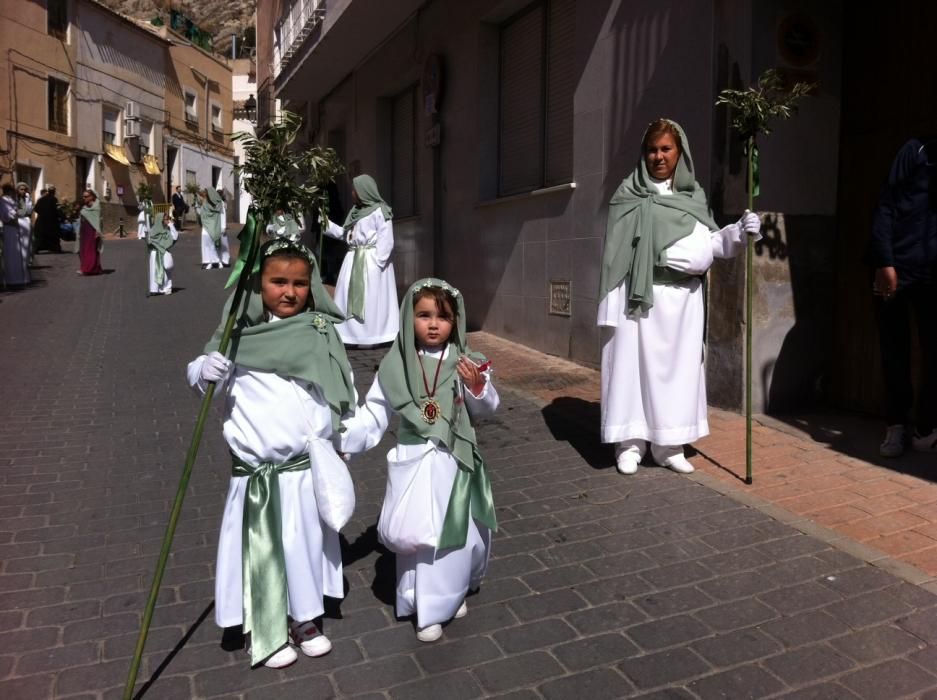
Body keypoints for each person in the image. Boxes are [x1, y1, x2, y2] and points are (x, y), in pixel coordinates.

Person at [186, 236, 356, 669]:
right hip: (256, 473)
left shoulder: (318, 331)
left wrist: (340, 437)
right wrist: (206, 367)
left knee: (302, 545)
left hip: (302, 470)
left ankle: (304, 618)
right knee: (263, 547)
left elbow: (340, 386)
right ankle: (268, 623)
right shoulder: (239, 336)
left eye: (300, 283)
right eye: (278, 281)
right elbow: (201, 369)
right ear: (258, 284)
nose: (289, 292)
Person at [598, 118, 761, 475]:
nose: (658, 156)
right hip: (639, 299)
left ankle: (668, 444)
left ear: (679, 152)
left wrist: (739, 231)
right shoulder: (629, 195)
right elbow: (614, 254)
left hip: (685, 302)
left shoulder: (694, 196)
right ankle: (630, 443)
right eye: (652, 149)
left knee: (678, 372)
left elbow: (713, 243)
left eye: (665, 149)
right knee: (631, 369)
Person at [341, 279, 499, 643]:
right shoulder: (395, 365)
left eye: (443, 317)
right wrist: (345, 438)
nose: (433, 324)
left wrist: (477, 386)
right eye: (423, 315)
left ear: (455, 322)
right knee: (420, 538)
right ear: (407, 317)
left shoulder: (467, 361)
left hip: (453, 462)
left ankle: (447, 596)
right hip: (415, 460)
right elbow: (374, 414)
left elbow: (488, 407)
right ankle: (422, 603)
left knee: (455, 537)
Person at [869, 137, 937, 456]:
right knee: (895, 351)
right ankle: (896, 427)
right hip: (898, 268)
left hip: (932, 275)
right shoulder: (916, 151)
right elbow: (886, 206)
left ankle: (927, 426)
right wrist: (885, 261)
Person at [323, 174, 399, 346]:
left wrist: (376, 263)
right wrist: (325, 224)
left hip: (370, 263)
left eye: (354, 190)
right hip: (353, 260)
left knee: (371, 299)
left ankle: (374, 336)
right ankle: (350, 335)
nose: (352, 193)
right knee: (347, 296)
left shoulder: (381, 211)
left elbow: (387, 240)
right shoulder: (355, 212)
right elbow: (346, 234)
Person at [1, 183, 31, 286]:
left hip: (12, 229)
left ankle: (18, 277)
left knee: (15, 255)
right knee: (12, 254)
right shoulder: (4, 201)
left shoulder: (7, 200)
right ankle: (13, 278)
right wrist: (16, 212)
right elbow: (11, 215)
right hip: (10, 229)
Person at [146, 211, 178, 296]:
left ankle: (167, 288)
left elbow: (175, 237)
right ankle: (154, 289)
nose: (168, 221)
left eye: (168, 219)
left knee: (166, 271)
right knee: (154, 271)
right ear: (160, 220)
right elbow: (149, 242)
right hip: (155, 253)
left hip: (164, 253)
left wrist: (171, 226)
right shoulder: (152, 231)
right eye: (166, 219)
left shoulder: (167, 230)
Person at [197, 187, 229, 269]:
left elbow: (222, 215)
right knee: (207, 243)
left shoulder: (219, 203)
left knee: (220, 244)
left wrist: (223, 227)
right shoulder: (206, 203)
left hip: (217, 226)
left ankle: (222, 260)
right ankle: (208, 261)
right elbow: (201, 214)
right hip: (207, 227)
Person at [77, 188, 103, 276]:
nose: (84, 198)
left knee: (91, 249)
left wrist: (98, 231)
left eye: (86, 196)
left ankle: (87, 269)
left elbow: (98, 221)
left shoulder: (96, 207)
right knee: (83, 249)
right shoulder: (85, 207)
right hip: (84, 230)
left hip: (92, 230)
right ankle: (94, 268)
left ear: (92, 197)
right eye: (83, 197)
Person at [34, 185, 62, 254]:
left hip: (41, 221)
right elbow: (58, 210)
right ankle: (54, 248)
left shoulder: (41, 199)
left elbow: (36, 208)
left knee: (40, 236)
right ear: (54, 192)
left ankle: (37, 249)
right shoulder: (54, 199)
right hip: (52, 222)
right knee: (53, 236)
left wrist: (42, 214)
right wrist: (61, 217)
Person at [16, 182, 34, 267]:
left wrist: (29, 200)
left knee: (28, 242)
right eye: (21, 189)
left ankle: (28, 260)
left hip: (26, 219)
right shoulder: (15, 198)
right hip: (18, 220)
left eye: (24, 189)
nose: (23, 191)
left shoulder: (27, 198)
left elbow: (30, 210)